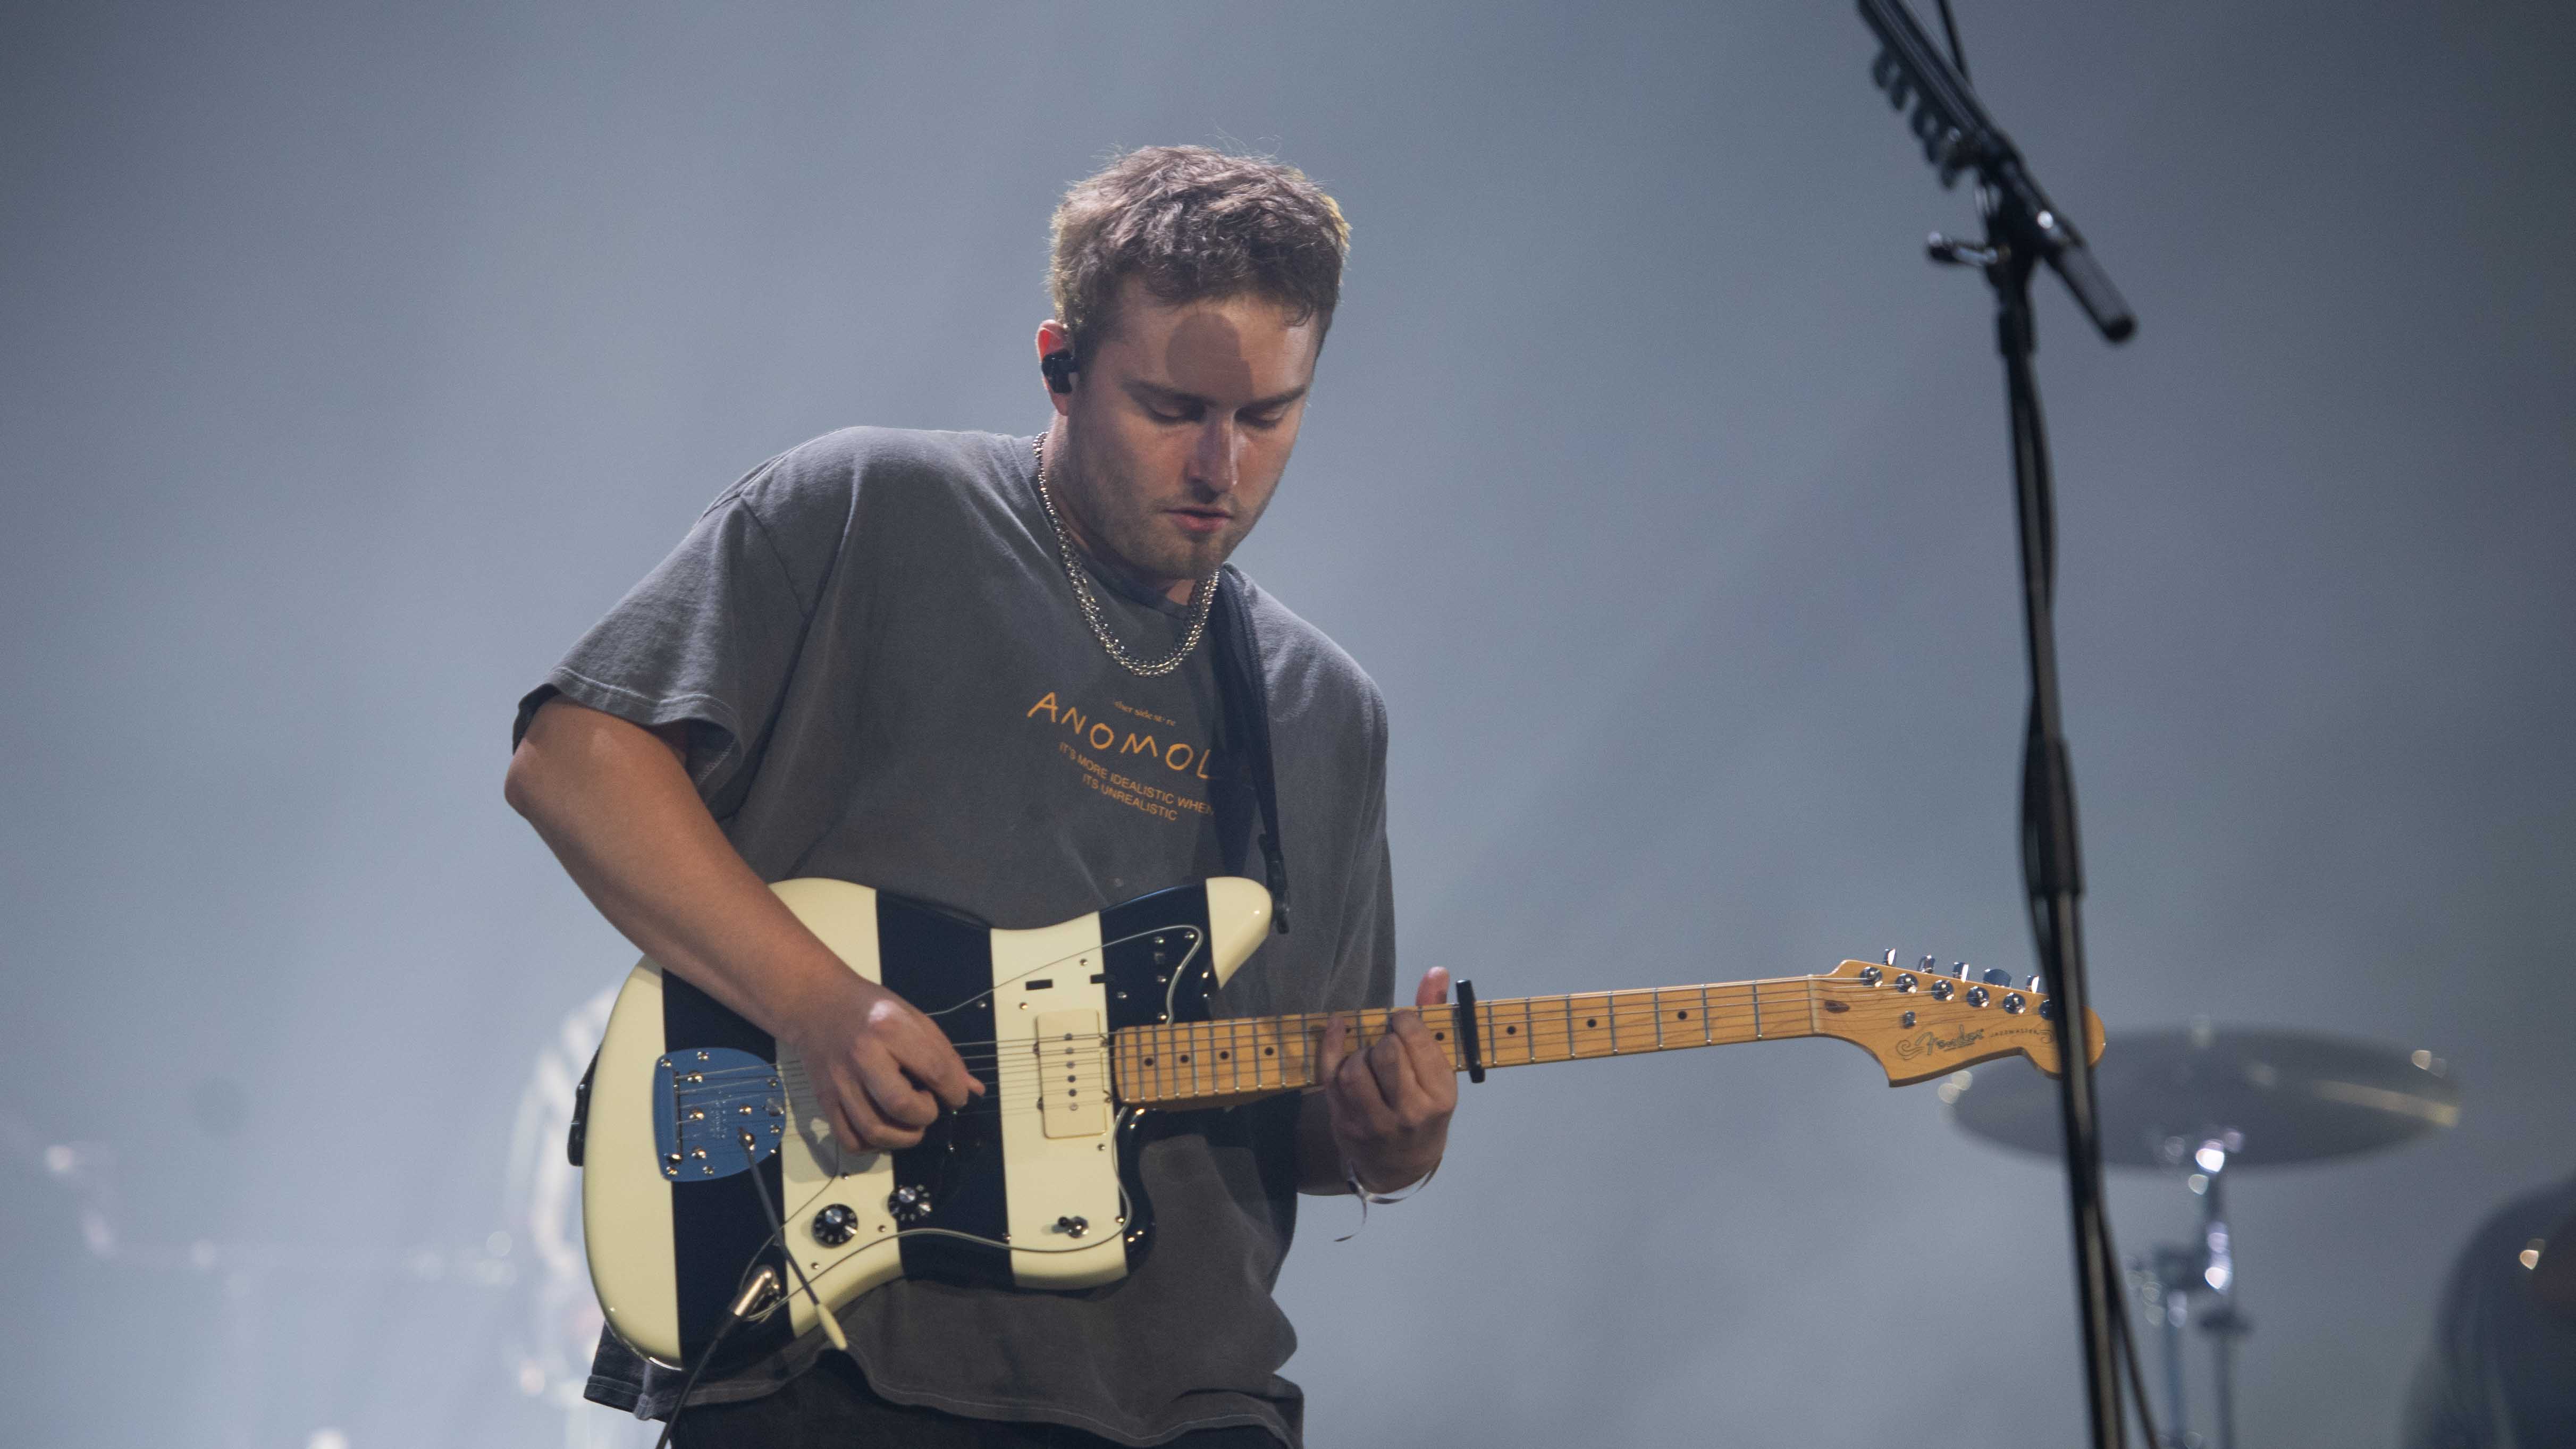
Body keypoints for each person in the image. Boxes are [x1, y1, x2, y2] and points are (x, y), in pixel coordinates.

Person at [503, 146, 1455, 1448]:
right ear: (1059, 363)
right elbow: (573, 759)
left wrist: (1381, 1145)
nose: (1220, 467)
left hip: (1181, 1394)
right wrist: (818, 1000)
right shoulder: (870, 508)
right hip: (836, 1352)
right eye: (1172, 409)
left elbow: (1292, 1107)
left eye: (1269, 416)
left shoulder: (1322, 710)